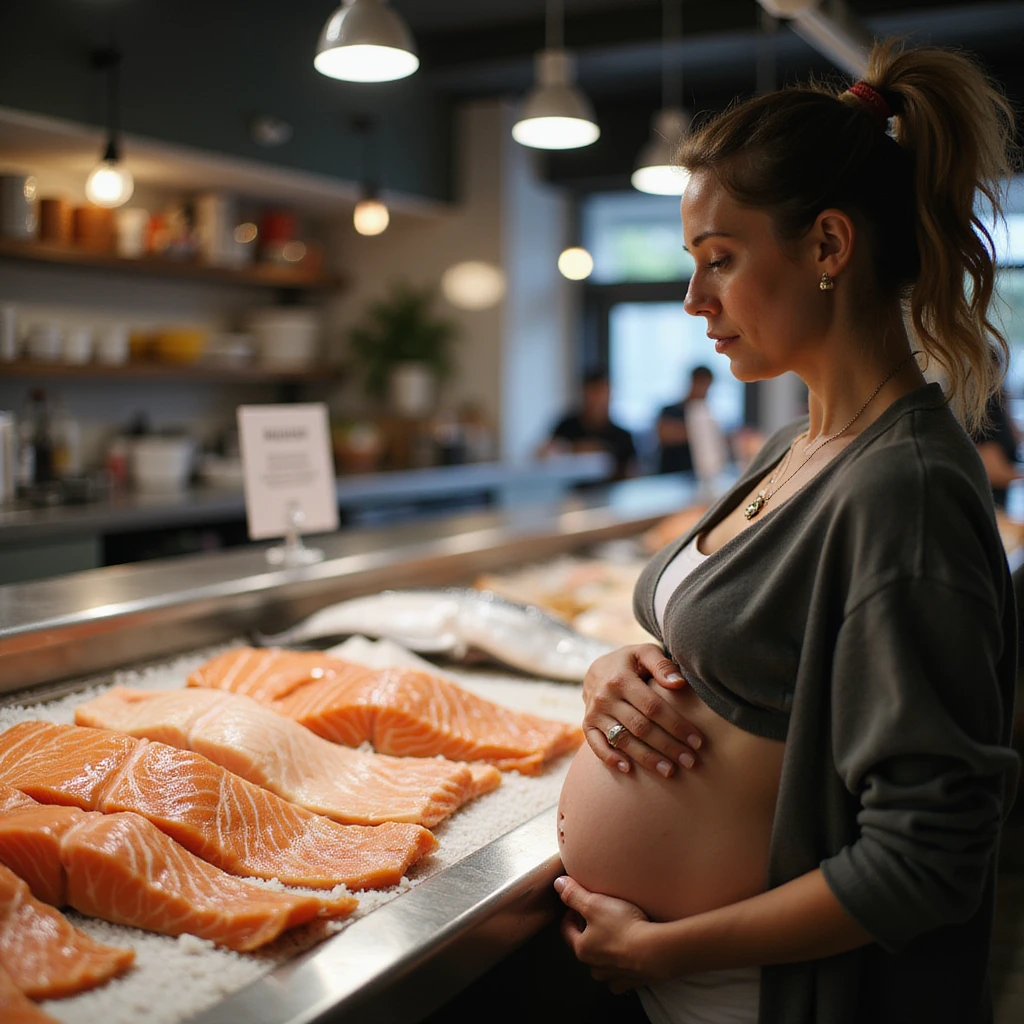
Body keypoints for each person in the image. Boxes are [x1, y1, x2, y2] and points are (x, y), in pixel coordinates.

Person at [553, 39, 1020, 1024]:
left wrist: (663, 945)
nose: (693, 301)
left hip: (763, 997)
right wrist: (620, 670)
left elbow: (928, 856)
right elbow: (742, 647)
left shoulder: (909, 490)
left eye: (718, 260)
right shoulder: (795, 439)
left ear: (826, 247)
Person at [539, 369, 637, 482]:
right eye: (593, 392)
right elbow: (544, 454)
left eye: (603, 393)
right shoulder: (566, 426)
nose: (598, 400)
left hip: (609, 494)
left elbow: (632, 472)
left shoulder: (622, 436)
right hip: (570, 494)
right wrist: (572, 449)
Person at [656, 366, 720, 474]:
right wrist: (702, 431)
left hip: (696, 474)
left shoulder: (706, 415)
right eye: (702, 384)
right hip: (672, 473)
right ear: (692, 382)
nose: (704, 390)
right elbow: (664, 435)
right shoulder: (670, 411)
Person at [972, 385, 1023, 509]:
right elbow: (991, 469)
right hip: (988, 504)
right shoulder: (989, 401)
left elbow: (1014, 434)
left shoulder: (1000, 395)